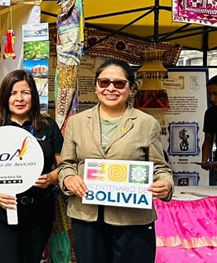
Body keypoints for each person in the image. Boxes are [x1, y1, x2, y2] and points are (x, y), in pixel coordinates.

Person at [58, 58, 173, 263]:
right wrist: (68, 179)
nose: (111, 88)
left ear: (131, 88)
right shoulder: (76, 123)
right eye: (104, 82)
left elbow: (160, 168)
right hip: (87, 217)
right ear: (96, 86)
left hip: (133, 220)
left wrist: (165, 184)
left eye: (119, 83)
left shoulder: (147, 124)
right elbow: (66, 165)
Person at [0, 70, 63, 263]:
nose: (19, 98)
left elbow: (64, 166)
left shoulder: (48, 126)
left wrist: (51, 178)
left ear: (34, 96)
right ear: (5, 97)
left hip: (38, 212)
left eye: (26, 93)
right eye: (13, 93)